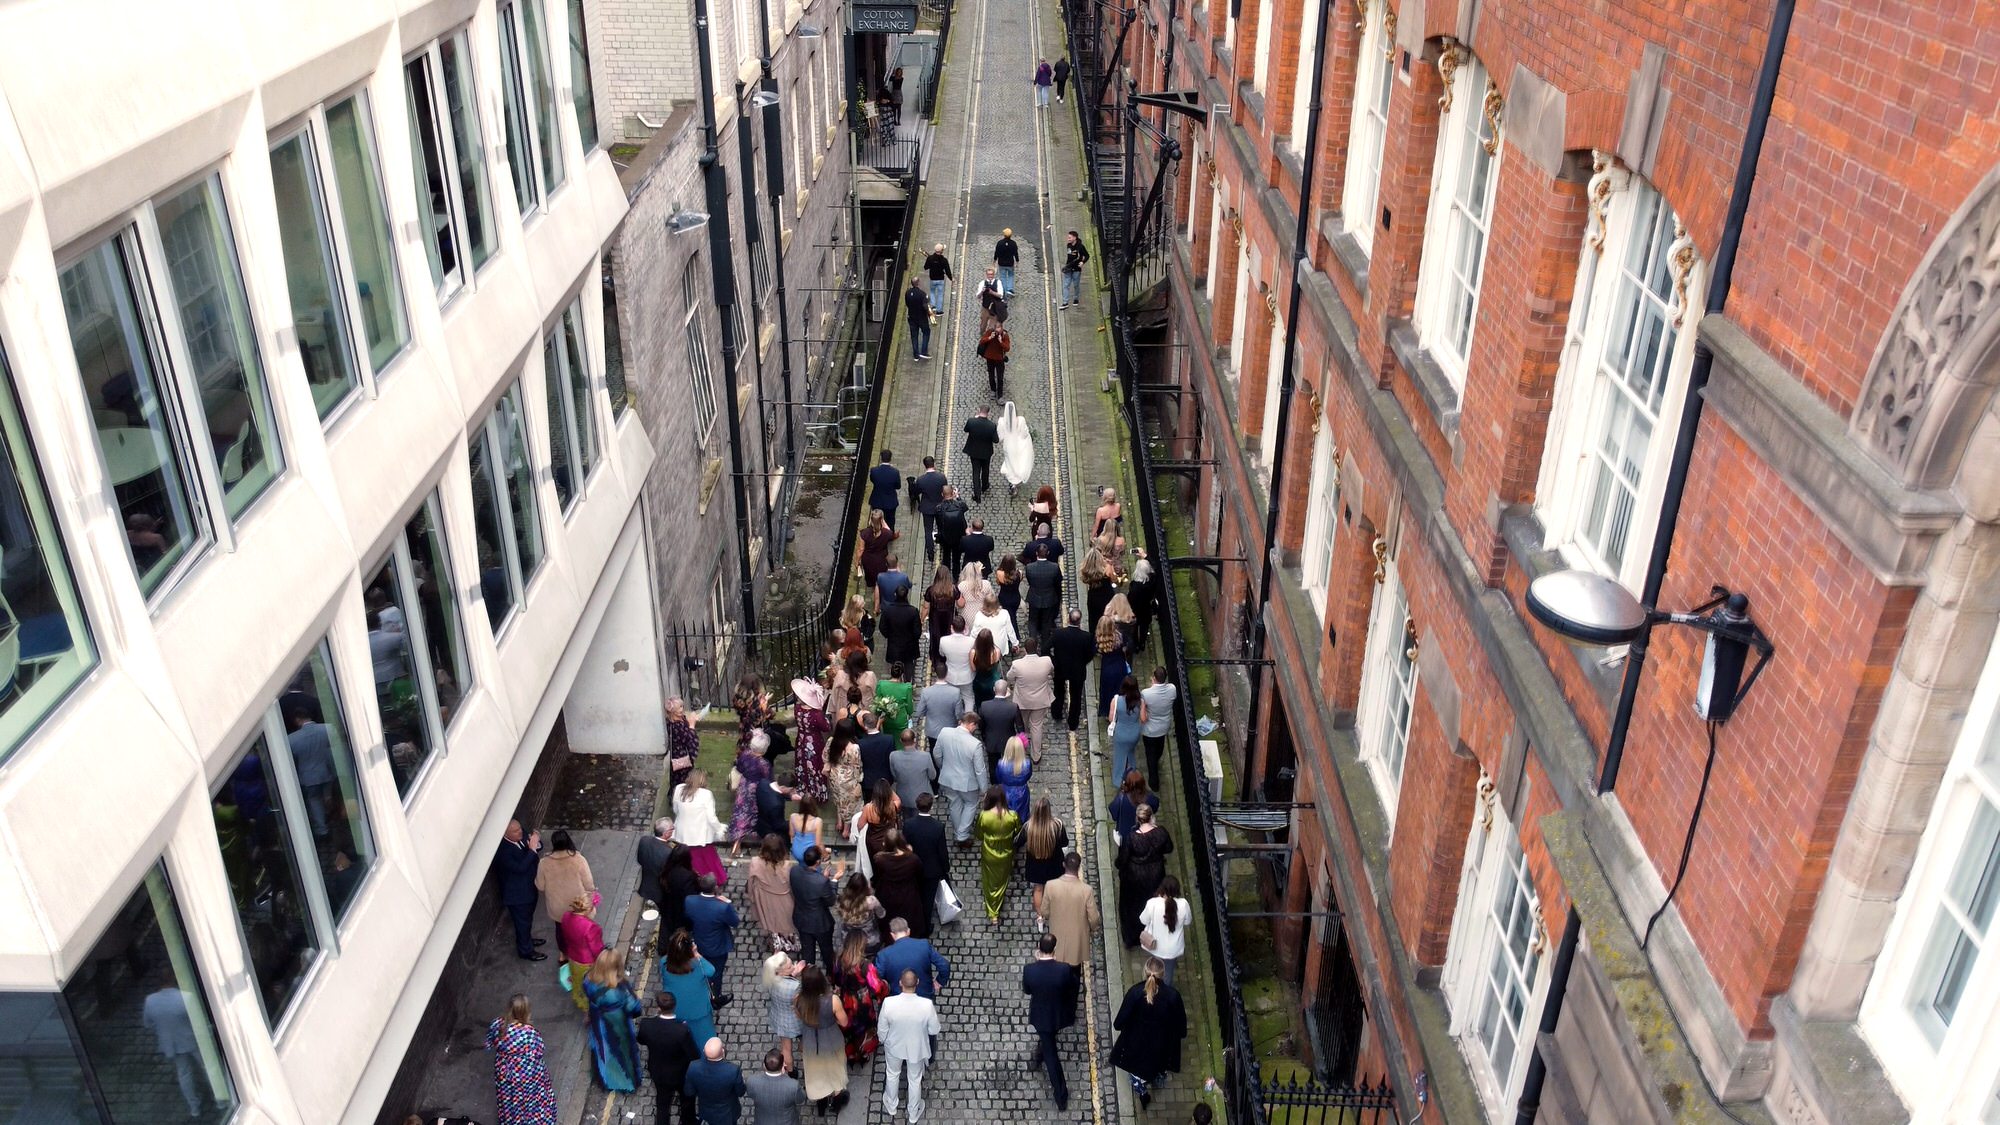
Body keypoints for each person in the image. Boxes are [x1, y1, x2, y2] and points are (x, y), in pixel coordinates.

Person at [1110, 958, 1189, 1108]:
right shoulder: (1173, 996)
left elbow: (1119, 1023)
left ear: (1145, 972)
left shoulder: (1135, 993)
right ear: (1163, 974)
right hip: (1161, 1047)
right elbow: (1180, 1026)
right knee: (1158, 1068)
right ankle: (1156, 1078)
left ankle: (1141, 1089)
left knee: (1137, 1072)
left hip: (1136, 1046)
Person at [1023, 933, 1079, 1109]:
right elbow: (1074, 984)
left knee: (1051, 1055)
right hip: (1058, 1014)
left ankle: (1061, 1095)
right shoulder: (1063, 969)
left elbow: (1027, 990)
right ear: (1054, 950)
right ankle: (1040, 1059)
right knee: (1048, 1045)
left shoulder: (1030, 970)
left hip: (1041, 1017)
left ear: (1038, 949)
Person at [877, 970, 939, 1125]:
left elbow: (882, 1029)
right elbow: (934, 1030)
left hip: (894, 1046)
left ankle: (891, 1105)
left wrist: (884, 1040)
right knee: (914, 1079)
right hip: (916, 1048)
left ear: (900, 983)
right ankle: (913, 1112)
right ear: (917, 983)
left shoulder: (889, 1003)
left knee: (892, 1074)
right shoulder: (926, 1005)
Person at [486, 995, 556, 1125]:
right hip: (525, 1073)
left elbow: (489, 1043)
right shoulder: (529, 1032)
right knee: (530, 1101)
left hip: (503, 1070)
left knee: (509, 1100)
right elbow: (539, 1051)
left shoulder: (497, 1024)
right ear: (525, 1011)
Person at [1116, 804, 1175, 949]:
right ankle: (1152, 934)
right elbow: (1169, 848)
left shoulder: (1132, 838)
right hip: (1155, 875)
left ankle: (1132, 939)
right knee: (1153, 905)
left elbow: (1122, 860)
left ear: (1137, 819)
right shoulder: (1161, 833)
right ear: (1151, 817)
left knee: (1131, 907)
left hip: (1134, 877)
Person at [583, 949, 644, 1092]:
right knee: (622, 1053)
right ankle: (625, 1083)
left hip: (598, 1020)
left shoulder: (588, 979)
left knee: (603, 1049)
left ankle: (606, 1079)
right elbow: (634, 1008)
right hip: (617, 1024)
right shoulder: (620, 989)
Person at [794, 965, 851, 1111]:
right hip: (831, 1038)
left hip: (810, 1039)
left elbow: (799, 1017)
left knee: (816, 1072)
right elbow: (844, 1021)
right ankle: (837, 1103)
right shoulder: (833, 1000)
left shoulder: (798, 999)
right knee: (835, 1070)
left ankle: (821, 1103)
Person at [637, 992, 699, 1125]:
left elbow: (641, 1040)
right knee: (687, 1099)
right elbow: (693, 1054)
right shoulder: (682, 1030)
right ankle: (689, 1121)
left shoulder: (646, 1024)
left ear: (658, 1007)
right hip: (681, 1073)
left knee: (663, 1103)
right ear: (674, 1006)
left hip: (658, 1071)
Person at [686, 874, 741, 1004]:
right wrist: (728, 903)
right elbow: (735, 922)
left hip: (699, 942)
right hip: (717, 947)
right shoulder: (723, 907)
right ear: (715, 887)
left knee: (700, 967)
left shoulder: (689, 900)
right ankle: (715, 997)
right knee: (716, 972)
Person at [832, 930, 886, 1063]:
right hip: (862, 1001)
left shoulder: (838, 959)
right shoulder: (865, 965)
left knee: (848, 1026)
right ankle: (863, 1052)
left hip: (845, 998)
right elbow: (877, 987)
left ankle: (850, 1053)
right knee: (865, 1027)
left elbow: (836, 979)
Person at [659, 929, 721, 1047]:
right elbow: (711, 971)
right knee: (705, 1042)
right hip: (699, 1011)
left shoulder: (664, 963)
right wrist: (697, 955)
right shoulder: (697, 965)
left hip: (677, 1007)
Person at [496, 821, 547, 961]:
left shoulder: (521, 833)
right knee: (522, 922)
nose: (520, 832)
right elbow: (520, 868)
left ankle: (527, 940)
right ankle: (526, 950)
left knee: (527, 919)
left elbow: (535, 845)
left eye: (520, 829)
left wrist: (536, 843)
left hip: (529, 886)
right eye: (515, 831)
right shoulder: (503, 852)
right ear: (505, 834)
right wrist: (531, 849)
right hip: (517, 895)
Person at [1042, 851, 1102, 969]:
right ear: (1079, 867)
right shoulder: (1086, 890)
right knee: (1075, 969)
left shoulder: (1050, 885)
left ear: (1064, 865)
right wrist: (1093, 928)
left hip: (1057, 934)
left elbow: (1044, 911)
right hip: (1077, 939)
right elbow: (1094, 918)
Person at [936, 712, 988, 844]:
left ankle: (957, 830)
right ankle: (962, 835)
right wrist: (984, 789)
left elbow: (936, 754)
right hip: (967, 783)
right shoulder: (975, 744)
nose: (975, 730)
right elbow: (980, 769)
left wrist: (943, 767)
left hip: (948, 779)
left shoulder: (944, 732)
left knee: (954, 804)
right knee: (970, 804)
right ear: (971, 724)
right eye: (975, 727)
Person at [790, 845, 844, 969]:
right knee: (827, 950)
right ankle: (831, 974)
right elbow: (831, 900)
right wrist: (834, 881)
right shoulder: (821, 882)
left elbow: (807, 887)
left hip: (802, 919)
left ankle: (809, 975)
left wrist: (822, 878)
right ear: (818, 862)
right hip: (820, 924)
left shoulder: (794, 871)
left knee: (807, 951)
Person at [871, 827, 930, 938]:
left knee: (889, 917)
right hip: (908, 893)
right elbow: (920, 873)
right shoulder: (912, 859)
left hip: (887, 894)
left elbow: (877, 876)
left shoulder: (880, 859)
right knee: (910, 917)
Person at [675, 769, 729, 887]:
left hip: (683, 833)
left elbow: (676, 809)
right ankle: (715, 879)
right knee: (708, 859)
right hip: (700, 834)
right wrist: (719, 829)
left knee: (689, 860)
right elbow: (711, 817)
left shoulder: (679, 789)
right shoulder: (706, 794)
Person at [874, 916, 951, 998]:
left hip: (897, 996)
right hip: (924, 993)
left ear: (892, 935)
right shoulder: (924, 945)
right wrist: (939, 981)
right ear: (908, 931)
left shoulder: (883, 955)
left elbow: (877, 980)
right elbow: (944, 965)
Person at [746, 834, 799, 953]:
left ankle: (776, 943)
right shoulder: (786, 865)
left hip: (765, 898)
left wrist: (753, 897)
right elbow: (791, 884)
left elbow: (751, 882)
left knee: (771, 920)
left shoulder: (755, 862)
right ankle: (788, 942)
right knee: (786, 921)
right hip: (784, 899)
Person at [976, 786, 1021, 923]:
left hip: (989, 853)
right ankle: (996, 907)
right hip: (1006, 853)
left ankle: (992, 912)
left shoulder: (984, 816)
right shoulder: (1012, 815)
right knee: (1002, 881)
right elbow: (1018, 830)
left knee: (989, 882)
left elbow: (978, 834)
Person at [903, 791, 950, 924]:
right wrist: (945, 868)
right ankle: (926, 925)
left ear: (917, 806)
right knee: (928, 899)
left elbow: (905, 845)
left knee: (914, 896)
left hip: (913, 868)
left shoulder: (909, 824)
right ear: (931, 806)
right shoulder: (938, 827)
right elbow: (942, 851)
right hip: (932, 870)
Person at [1006, 638, 1056, 760]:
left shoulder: (1017, 665)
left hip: (1022, 701)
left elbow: (1009, 677)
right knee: (1037, 726)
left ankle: (1022, 747)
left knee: (1022, 724)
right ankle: (1036, 755)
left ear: (1025, 650)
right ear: (1037, 648)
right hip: (1040, 700)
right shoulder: (1047, 661)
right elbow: (1051, 672)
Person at [1019, 798, 1069, 919]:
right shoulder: (1057, 825)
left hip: (1035, 866)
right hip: (1054, 864)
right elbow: (1064, 843)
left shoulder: (1028, 827)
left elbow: (1018, 841)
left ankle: (1040, 916)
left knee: (1038, 889)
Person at [534, 830, 595, 928]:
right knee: (580, 930)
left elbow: (540, 886)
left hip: (557, 907)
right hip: (578, 905)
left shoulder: (544, 863)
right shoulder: (579, 860)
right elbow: (589, 885)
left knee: (561, 931)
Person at [1140, 874, 1193, 985]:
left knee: (1154, 967)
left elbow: (1143, 920)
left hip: (1155, 946)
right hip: (1173, 949)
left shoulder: (1153, 903)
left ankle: (1151, 986)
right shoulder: (1183, 904)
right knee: (1168, 973)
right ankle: (1164, 991)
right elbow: (1188, 921)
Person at [683, 1038, 747, 1125]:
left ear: (704, 1051)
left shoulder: (693, 1067)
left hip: (706, 1113)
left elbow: (689, 1092)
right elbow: (740, 1092)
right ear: (723, 1052)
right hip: (727, 1114)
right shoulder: (733, 1071)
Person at [558, 896, 606, 1010]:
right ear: (588, 910)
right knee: (588, 984)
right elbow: (597, 949)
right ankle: (588, 1007)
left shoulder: (566, 916)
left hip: (572, 956)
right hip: (587, 961)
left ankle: (578, 998)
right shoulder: (591, 927)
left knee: (576, 980)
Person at [731, 732, 776, 855]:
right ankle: (763, 845)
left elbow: (739, 768)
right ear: (764, 749)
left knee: (741, 813)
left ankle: (737, 844)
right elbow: (769, 780)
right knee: (759, 815)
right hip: (758, 790)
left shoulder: (744, 755)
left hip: (744, 787)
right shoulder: (764, 763)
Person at [760, 952, 805, 1072]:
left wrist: (792, 973)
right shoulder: (795, 986)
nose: (793, 967)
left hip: (779, 1017)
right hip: (796, 1020)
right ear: (780, 972)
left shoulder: (770, 978)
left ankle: (790, 1072)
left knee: (786, 1048)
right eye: (790, 967)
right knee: (805, 1041)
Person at [790, 679, 831, 804]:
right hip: (814, 742)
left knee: (802, 763)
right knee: (816, 765)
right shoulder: (816, 714)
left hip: (801, 740)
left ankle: (804, 788)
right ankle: (817, 791)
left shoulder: (797, 709)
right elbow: (826, 727)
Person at [746, 1046, 807, 1125]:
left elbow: (751, 1094)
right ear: (783, 1065)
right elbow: (800, 1099)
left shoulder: (752, 1081)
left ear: (764, 1065)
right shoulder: (793, 1086)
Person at [1140, 667, 1179, 785]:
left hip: (1150, 730)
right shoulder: (1172, 689)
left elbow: (1143, 716)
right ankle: (1156, 761)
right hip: (1163, 727)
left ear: (1154, 678)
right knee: (1159, 748)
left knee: (1150, 753)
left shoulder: (1146, 693)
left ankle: (1153, 779)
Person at [835, 871, 887, 956]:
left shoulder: (842, 900)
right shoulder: (871, 901)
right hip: (869, 941)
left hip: (849, 940)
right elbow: (882, 914)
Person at [1109, 674, 1147, 787]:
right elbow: (1143, 719)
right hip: (1133, 734)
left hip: (1120, 734)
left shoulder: (1116, 700)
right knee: (1130, 753)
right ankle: (1132, 773)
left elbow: (1111, 718)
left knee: (1119, 756)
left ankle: (1118, 780)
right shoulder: (1140, 702)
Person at [660, 840, 701, 940]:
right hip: (681, 909)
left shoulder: (667, 869)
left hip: (669, 905)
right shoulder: (687, 876)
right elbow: (690, 897)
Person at [915, 663, 962, 751]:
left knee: (933, 751)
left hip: (932, 730)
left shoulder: (926, 692)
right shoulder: (955, 692)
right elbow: (959, 714)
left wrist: (929, 713)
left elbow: (919, 712)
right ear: (947, 673)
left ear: (936, 673)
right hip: (950, 729)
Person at [1108, 769, 1163, 843]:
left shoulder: (1121, 799)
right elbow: (1155, 807)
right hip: (1145, 834)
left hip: (1127, 836)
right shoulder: (1150, 798)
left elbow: (1114, 814)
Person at [827, 723, 864, 831]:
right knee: (849, 804)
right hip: (848, 779)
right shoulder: (853, 747)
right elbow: (856, 765)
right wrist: (859, 780)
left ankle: (839, 822)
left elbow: (825, 756)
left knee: (839, 800)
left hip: (834, 776)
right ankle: (846, 830)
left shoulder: (831, 741)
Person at [890, 726, 938, 809]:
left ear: (901, 741)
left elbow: (894, 776)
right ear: (915, 740)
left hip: (903, 797)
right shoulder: (925, 756)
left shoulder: (893, 756)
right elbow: (932, 776)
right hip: (923, 798)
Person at [978, 678, 1023, 766]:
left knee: (993, 765)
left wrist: (985, 737)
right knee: (1010, 764)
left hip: (991, 741)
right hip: (1008, 741)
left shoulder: (984, 705)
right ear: (1007, 691)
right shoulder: (1013, 707)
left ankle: (994, 779)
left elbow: (981, 726)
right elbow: (1020, 727)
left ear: (994, 689)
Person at [911, 456, 948, 560]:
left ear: (924, 465)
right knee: (941, 528)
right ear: (933, 464)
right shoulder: (941, 477)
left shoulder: (921, 480)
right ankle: (943, 545)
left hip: (927, 508)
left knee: (928, 530)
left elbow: (916, 492)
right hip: (940, 507)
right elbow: (945, 490)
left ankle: (930, 553)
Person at [1024, 546, 1063, 643]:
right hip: (1049, 598)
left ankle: (1032, 642)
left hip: (1034, 597)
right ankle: (1045, 645)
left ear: (1036, 553)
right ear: (1048, 553)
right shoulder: (1054, 567)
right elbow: (1058, 581)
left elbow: (1029, 581)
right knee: (1046, 622)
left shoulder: (1029, 567)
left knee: (1032, 621)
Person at [1097, 614, 1132, 722]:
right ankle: (1120, 711)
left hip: (1107, 669)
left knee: (1107, 692)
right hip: (1119, 667)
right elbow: (1129, 646)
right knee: (1120, 690)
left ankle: (1109, 713)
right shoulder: (1120, 636)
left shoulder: (1099, 640)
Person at [939, 617, 976, 714]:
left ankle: (954, 716)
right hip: (966, 676)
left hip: (950, 675)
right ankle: (968, 718)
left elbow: (942, 654)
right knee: (968, 698)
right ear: (965, 628)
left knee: (952, 698)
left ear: (952, 627)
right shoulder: (971, 641)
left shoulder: (943, 640)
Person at [962, 407, 999, 503]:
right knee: (985, 469)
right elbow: (996, 440)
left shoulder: (971, 421)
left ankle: (977, 495)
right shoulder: (992, 425)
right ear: (988, 413)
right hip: (986, 452)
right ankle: (985, 485)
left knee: (976, 472)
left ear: (979, 411)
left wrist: (975, 418)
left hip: (974, 451)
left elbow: (966, 430)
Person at [881, 594, 923, 679]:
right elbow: (917, 631)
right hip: (909, 646)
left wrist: (889, 635)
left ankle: (896, 681)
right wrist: (914, 638)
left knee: (895, 666)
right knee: (908, 665)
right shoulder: (913, 611)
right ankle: (908, 682)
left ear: (895, 595)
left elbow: (882, 627)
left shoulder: (888, 610)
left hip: (894, 645)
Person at [995, 733, 1034, 822]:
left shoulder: (1001, 764)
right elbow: (1028, 776)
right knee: (1022, 814)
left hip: (1005, 792)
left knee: (1006, 814)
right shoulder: (1027, 764)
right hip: (1022, 792)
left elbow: (998, 778)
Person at [998, 400, 1034, 494]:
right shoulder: (1021, 420)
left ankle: (1012, 483)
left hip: (1008, 447)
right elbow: (1024, 434)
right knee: (1018, 462)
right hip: (1019, 446)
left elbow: (1000, 436)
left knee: (1010, 464)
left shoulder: (1002, 421)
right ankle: (1016, 482)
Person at [638, 817, 676, 909]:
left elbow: (640, 860)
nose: (673, 830)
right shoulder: (668, 852)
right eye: (672, 829)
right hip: (661, 891)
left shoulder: (644, 840)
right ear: (666, 833)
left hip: (647, 885)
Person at [858, 508, 897, 594]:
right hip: (881, 559)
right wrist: (883, 522)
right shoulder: (887, 533)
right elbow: (892, 534)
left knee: (872, 578)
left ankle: (875, 591)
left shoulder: (864, 533)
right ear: (881, 519)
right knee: (881, 578)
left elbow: (861, 549)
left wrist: (857, 561)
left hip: (868, 560)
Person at [667, 697, 701, 795]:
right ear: (673, 711)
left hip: (680, 755)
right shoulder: (675, 726)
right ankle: (682, 795)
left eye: (682, 706)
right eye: (679, 708)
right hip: (681, 758)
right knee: (683, 779)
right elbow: (689, 739)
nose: (682, 709)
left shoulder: (679, 719)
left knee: (679, 777)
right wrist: (692, 725)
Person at [858, 712, 897, 795]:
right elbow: (892, 758)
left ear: (865, 726)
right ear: (877, 723)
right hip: (886, 778)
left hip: (868, 781)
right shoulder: (889, 739)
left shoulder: (860, 743)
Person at [1127, 549, 1159, 649]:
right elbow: (1156, 567)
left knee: (1135, 627)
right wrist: (1145, 556)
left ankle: (1136, 644)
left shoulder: (1135, 586)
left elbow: (1130, 599)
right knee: (1144, 627)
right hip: (1146, 609)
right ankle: (1142, 643)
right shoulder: (1151, 581)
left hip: (1135, 610)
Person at [935, 486, 970, 574]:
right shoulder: (959, 505)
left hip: (945, 537)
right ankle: (956, 575)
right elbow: (965, 507)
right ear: (953, 493)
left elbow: (938, 523)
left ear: (942, 494)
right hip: (958, 537)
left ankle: (946, 575)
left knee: (946, 557)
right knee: (956, 559)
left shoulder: (939, 508)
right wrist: (957, 496)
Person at [868, 450, 902, 530]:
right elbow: (898, 486)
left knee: (877, 520)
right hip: (890, 501)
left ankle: (877, 533)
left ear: (881, 458)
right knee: (890, 519)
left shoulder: (874, 471)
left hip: (877, 500)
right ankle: (889, 534)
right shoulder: (895, 472)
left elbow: (872, 480)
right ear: (890, 458)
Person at [970, 628, 1003, 707]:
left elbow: (973, 669)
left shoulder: (973, 652)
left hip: (979, 682)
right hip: (992, 682)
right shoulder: (996, 652)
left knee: (979, 704)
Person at [788, 793, 824, 865]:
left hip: (796, 851)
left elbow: (791, 834)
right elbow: (818, 844)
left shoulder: (793, 817)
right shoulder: (817, 821)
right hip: (811, 855)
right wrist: (825, 854)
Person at [977, 322, 1011, 397]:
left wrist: (1001, 342)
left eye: (999, 328)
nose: (997, 330)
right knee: (991, 375)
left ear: (1002, 328)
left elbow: (1007, 348)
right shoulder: (990, 332)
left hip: (999, 359)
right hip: (990, 358)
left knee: (1000, 378)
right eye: (996, 328)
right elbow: (982, 341)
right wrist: (989, 338)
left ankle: (1000, 395)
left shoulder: (1005, 335)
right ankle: (993, 390)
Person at [992, 553, 1023, 633]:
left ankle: (1012, 633)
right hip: (1015, 598)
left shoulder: (999, 573)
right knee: (1013, 615)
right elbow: (1020, 581)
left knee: (1008, 616)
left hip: (1004, 598)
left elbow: (998, 583)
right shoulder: (1019, 573)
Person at [1059, 230, 1089, 309]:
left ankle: (1076, 298)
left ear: (1075, 238)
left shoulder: (1081, 247)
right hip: (1068, 268)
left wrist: (1083, 262)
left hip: (1076, 269)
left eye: (1070, 237)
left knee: (1076, 285)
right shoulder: (1068, 245)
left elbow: (1087, 255)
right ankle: (1065, 302)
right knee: (1066, 285)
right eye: (1068, 237)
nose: (1068, 239)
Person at [904, 276, 932, 360]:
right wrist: (930, 314)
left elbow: (907, 304)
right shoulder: (923, 294)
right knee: (926, 332)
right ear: (918, 283)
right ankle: (924, 351)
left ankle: (916, 355)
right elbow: (925, 306)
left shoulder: (907, 293)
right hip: (922, 318)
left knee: (914, 336)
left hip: (912, 317)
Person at [923, 243, 953, 314]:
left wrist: (931, 264)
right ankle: (939, 311)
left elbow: (925, 267)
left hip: (932, 279)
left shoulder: (930, 258)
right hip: (940, 280)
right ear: (942, 251)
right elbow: (948, 271)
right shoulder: (944, 260)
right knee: (940, 295)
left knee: (932, 292)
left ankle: (933, 306)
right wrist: (951, 279)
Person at [976, 267, 1005, 335]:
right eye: (988, 274)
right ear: (986, 275)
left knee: (992, 326)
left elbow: (1000, 295)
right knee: (983, 324)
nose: (990, 276)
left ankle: (990, 338)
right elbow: (978, 296)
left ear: (994, 274)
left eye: (991, 274)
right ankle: (982, 336)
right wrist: (982, 292)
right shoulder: (982, 283)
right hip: (985, 307)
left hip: (995, 308)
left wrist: (992, 292)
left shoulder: (998, 282)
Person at [993, 228, 1020, 295]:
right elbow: (1015, 253)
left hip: (1001, 263)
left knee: (1003, 277)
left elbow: (996, 252)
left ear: (1004, 235)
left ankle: (1004, 290)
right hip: (1010, 263)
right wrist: (1017, 261)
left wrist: (995, 260)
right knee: (1011, 275)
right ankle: (1010, 289)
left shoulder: (1000, 243)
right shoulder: (1013, 243)